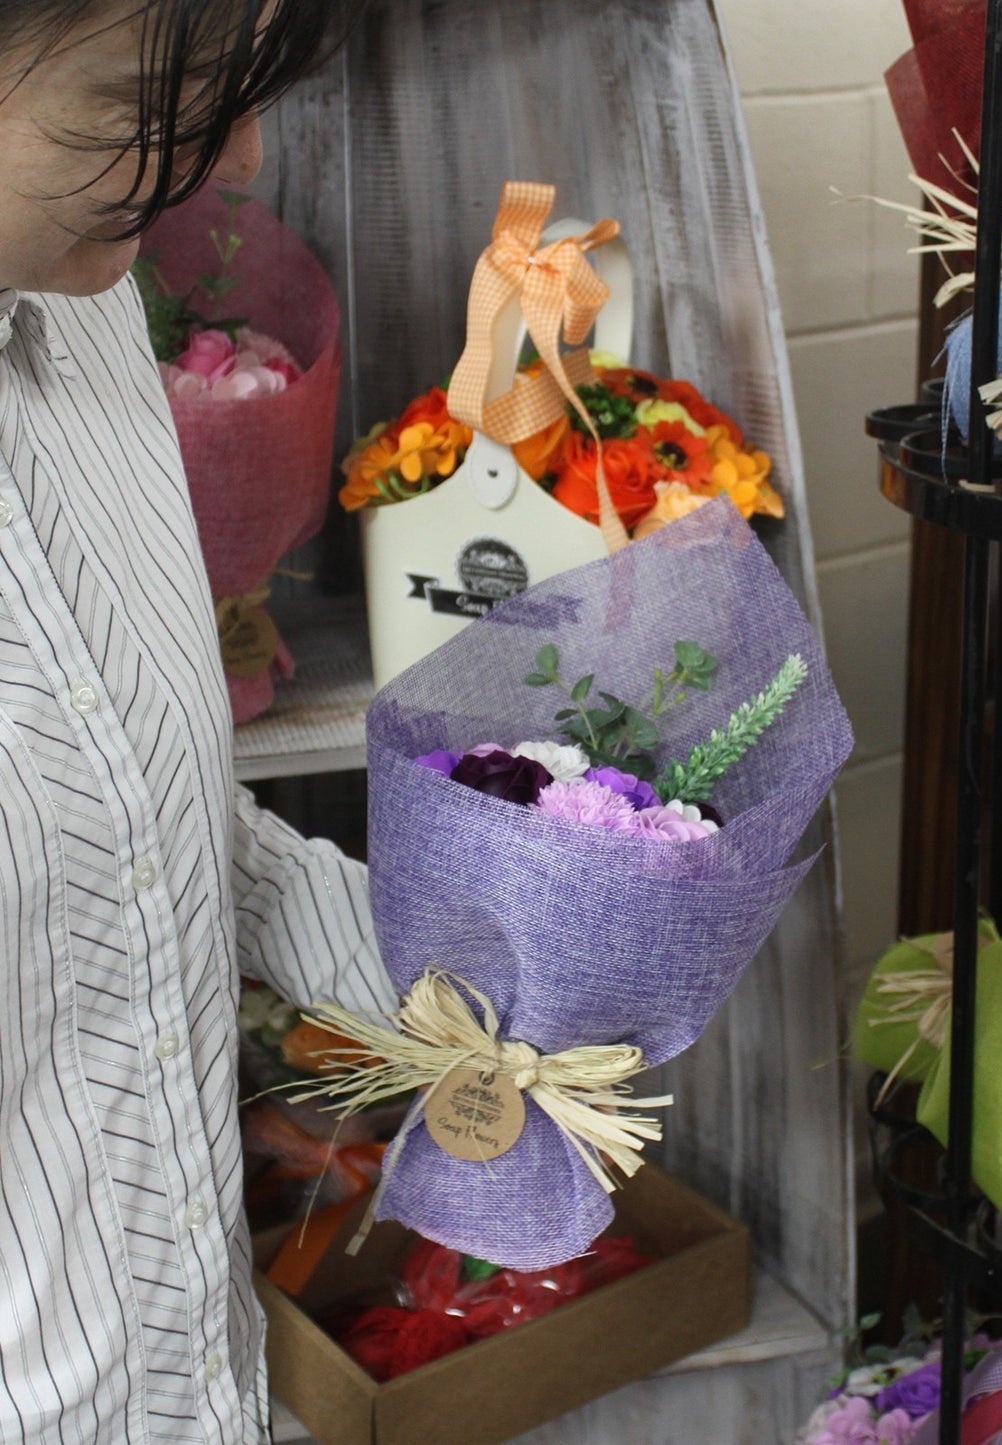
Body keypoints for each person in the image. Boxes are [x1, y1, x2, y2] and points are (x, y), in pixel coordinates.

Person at [0, 3, 393, 1440]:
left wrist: (448, 968)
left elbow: (117, 809)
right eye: (163, 92)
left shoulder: (89, 303)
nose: (240, 152)